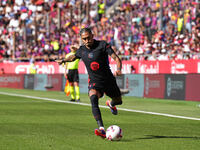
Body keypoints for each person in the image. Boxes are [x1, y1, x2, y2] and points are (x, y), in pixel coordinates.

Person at [56, 27, 123, 139]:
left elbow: (115, 58)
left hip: (108, 80)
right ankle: (101, 128)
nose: (87, 41)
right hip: (94, 81)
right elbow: (73, 57)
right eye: (84, 39)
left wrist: (119, 68)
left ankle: (111, 104)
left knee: (119, 101)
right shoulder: (81, 50)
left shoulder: (102, 45)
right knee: (93, 98)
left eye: (88, 38)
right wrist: (63, 60)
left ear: (92, 35)